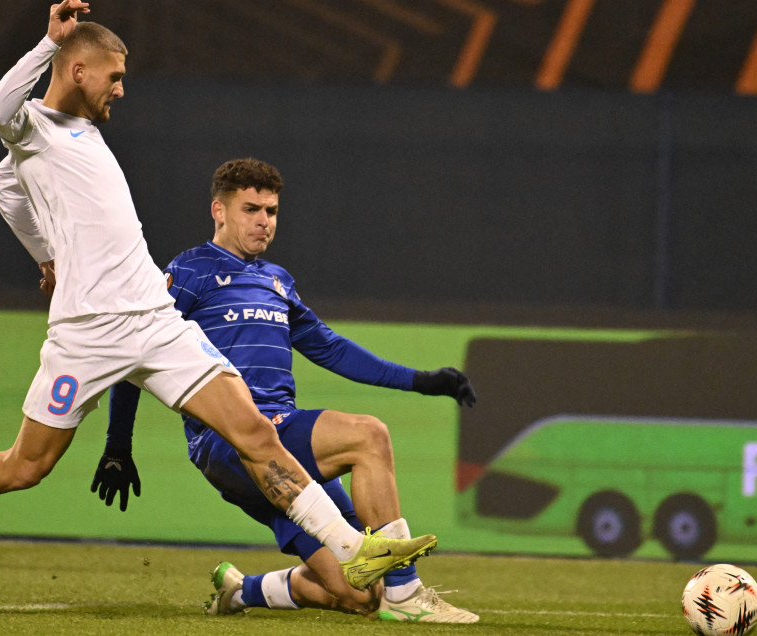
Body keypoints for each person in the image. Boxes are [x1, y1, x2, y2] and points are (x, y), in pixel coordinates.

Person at [0, 1, 436, 593]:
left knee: (255, 433)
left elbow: (5, 189)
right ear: (77, 71)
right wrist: (49, 42)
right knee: (26, 466)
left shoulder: (81, 137)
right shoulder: (32, 128)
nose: (121, 87)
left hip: (155, 318)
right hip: (87, 332)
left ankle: (353, 549)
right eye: (113, 75)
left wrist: (44, 254)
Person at [91, 158, 480, 622]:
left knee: (358, 596)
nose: (263, 221)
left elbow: (331, 349)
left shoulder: (277, 280)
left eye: (271, 211)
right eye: (251, 209)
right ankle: (406, 592)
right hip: (231, 441)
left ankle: (241, 590)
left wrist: (422, 381)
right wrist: (118, 446)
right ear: (219, 210)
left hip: (282, 455)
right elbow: (137, 352)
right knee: (368, 436)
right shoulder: (190, 271)